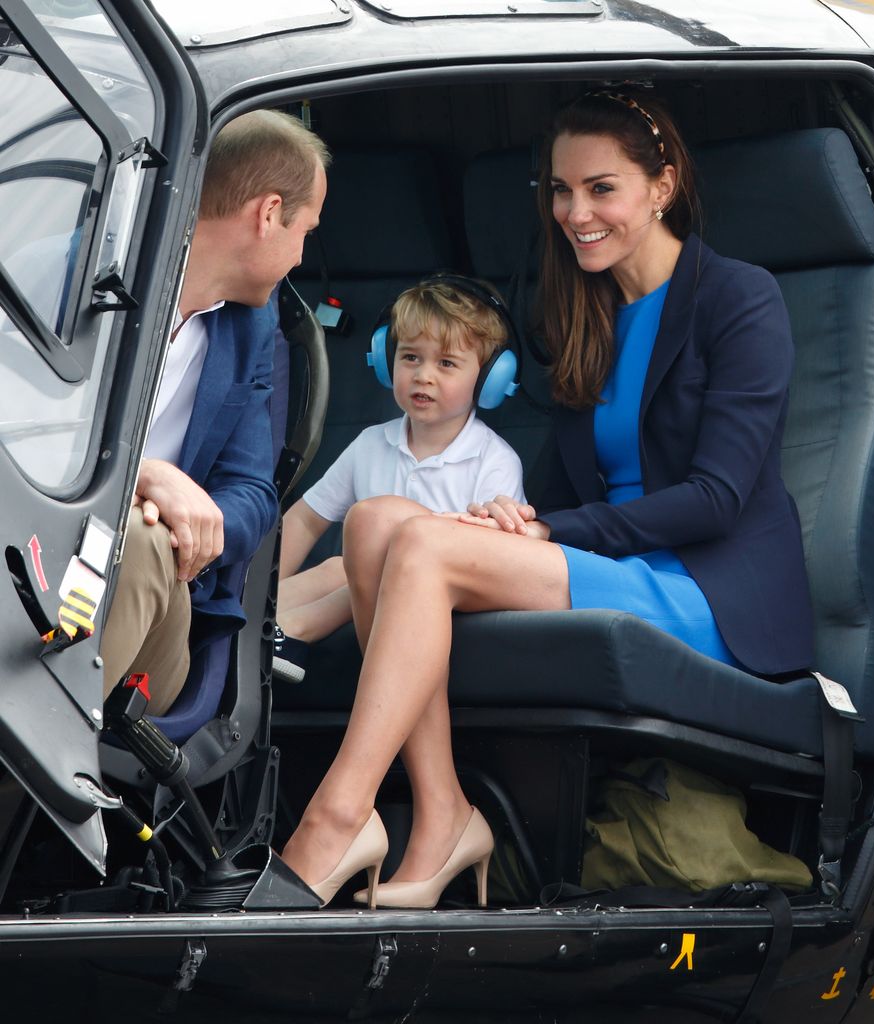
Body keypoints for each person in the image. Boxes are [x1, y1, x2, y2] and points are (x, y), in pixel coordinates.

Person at [279, 89, 813, 910]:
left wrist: (544, 529)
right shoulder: (582, 312)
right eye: (559, 191)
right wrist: (516, 520)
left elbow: (714, 498)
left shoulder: (738, 298)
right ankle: (442, 813)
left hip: (704, 590)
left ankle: (338, 815)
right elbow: (560, 492)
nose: (574, 211)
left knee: (418, 542)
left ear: (660, 186)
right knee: (379, 518)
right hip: (603, 561)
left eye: (601, 188)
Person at [99, 109, 330, 716]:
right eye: (305, 230)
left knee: (145, 541)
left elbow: (253, 493)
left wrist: (194, 522)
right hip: (33, 547)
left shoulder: (252, 327)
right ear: (269, 213)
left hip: (158, 595)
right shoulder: (83, 278)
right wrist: (144, 476)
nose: (301, 257)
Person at [273, 275, 525, 682]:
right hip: (370, 595)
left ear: (490, 378)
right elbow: (304, 520)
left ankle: (294, 630)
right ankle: (252, 626)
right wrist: (254, 586)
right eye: (410, 357)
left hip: (444, 603)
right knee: (339, 566)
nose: (424, 375)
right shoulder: (370, 444)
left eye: (446, 363)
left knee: (366, 564)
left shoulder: (494, 461)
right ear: (385, 359)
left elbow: (494, 565)